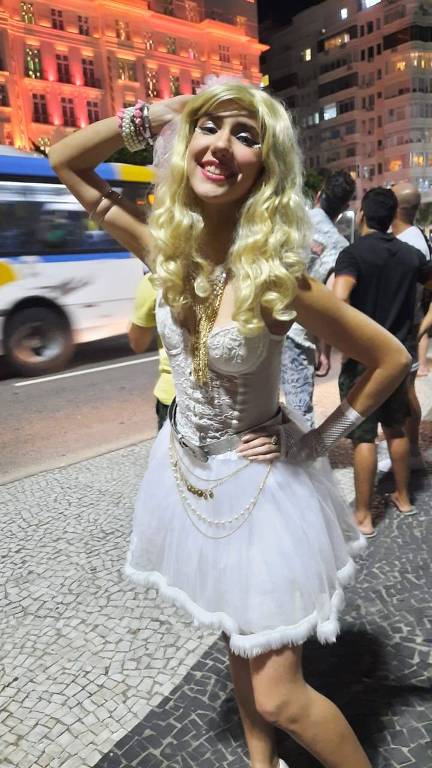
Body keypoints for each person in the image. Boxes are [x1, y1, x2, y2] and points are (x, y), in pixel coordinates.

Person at [49, 83, 411, 768]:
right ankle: (257, 761)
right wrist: (157, 115)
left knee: (281, 695)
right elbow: (66, 161)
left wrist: (317, 440)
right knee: (231, 636)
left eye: (245, 136)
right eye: (208, 129)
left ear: (265, 167)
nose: (220, 146)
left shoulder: (277, 276)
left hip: (261, 487)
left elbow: (390, 357)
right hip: (186, 473)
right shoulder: (166, 250)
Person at [334, 187, 432, 539]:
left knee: (363, 437)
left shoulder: (352, 254)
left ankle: (363, 515)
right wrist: (422, 326)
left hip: (364, 360)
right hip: (399, 358)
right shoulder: (409, 255)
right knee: (396, 427)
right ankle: (404, 497)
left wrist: (343, 342)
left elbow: (340, 300)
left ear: (362, 215)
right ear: (392, 218)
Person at [281, 170, 355, 427]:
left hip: (262, 320)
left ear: (320, 194)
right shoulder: (339, 246)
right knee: (299, 409)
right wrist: (325, 349)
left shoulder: (292, 220)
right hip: (297, 333)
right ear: (345, 206)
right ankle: (301, 463)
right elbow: (332, 302)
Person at [129, 273, 175, 430]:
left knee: (173, 454)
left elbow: (138, 344)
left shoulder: (156, 281)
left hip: (174, 397)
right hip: (236, 400)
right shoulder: (243, 272)